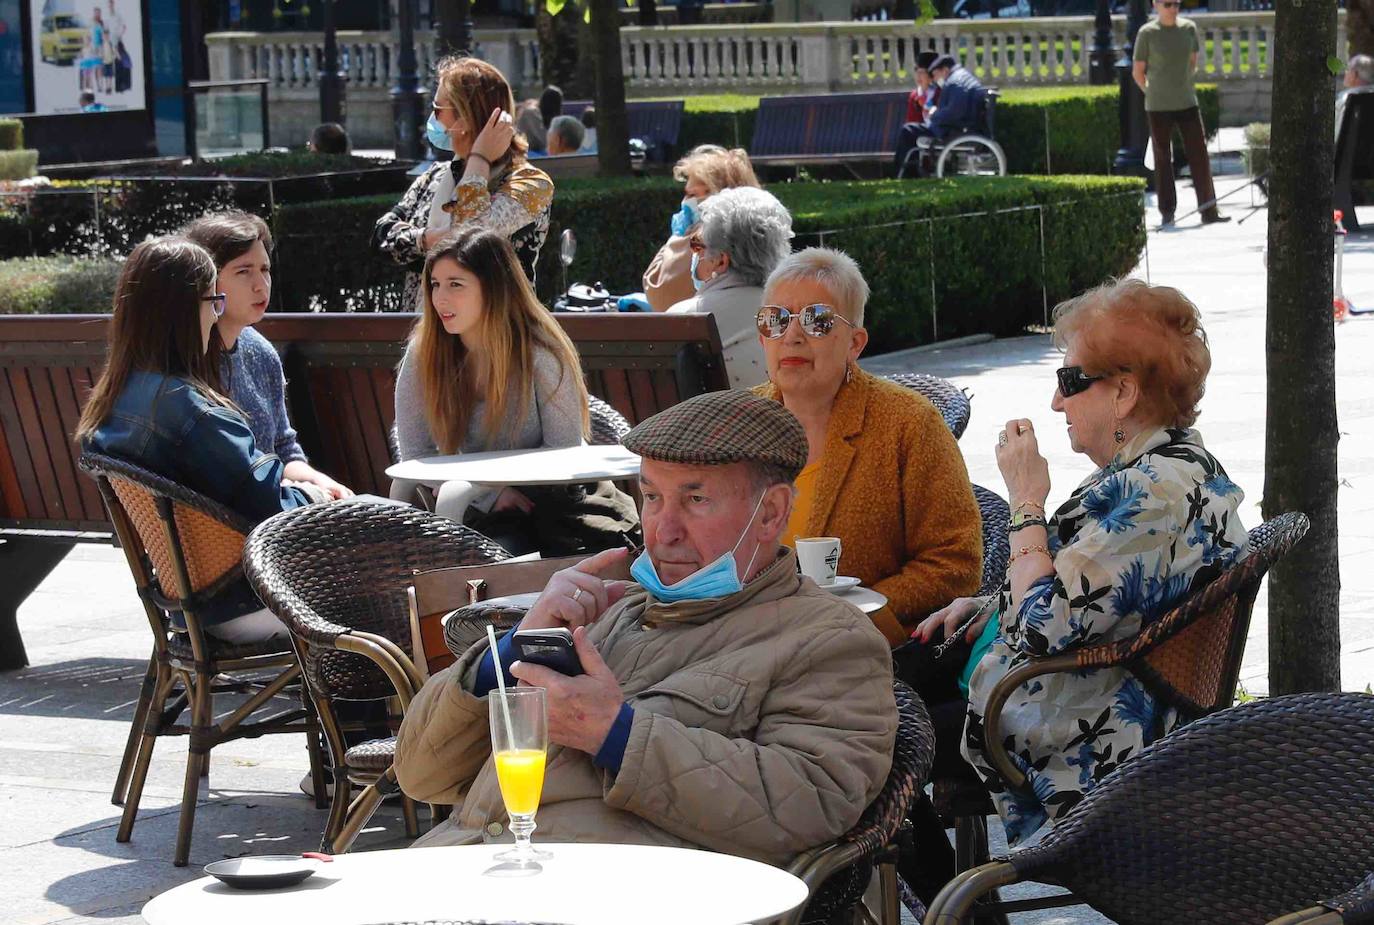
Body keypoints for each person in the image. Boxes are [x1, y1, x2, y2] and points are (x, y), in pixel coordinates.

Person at [393, 389, 898, 866]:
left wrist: (616, 734)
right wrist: (514, 650)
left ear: (770, 513)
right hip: (461, 871)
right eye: (653, 497)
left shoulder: (830, 640)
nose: (663, 529)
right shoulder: (614, 612)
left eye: (695, 500)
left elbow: (812, 802)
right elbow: (419, 774)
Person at [906, 279, 1248, 854]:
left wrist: (1025, 503)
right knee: (876, 690)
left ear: (1123, 393)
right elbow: (1087, 593)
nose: (1056, 402)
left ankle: (951, 909)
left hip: (1076, 723)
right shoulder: (1167, 464)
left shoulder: (1151, 493)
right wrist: (988, 605)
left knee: (875, 738)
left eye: (1069, 381)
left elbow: (1043, 628)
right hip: (1074, 688)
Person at [76, 237, 325, 643]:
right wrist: (314, 494)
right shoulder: (195, 414)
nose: (218, 314)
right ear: (183, 312)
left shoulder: (118, 398)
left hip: (188, 606)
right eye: (214, 301)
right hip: (251, 601)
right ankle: (385, 708)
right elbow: (273, 509)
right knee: (399, 590)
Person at [750, 248, 982, 647]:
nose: (792, 335)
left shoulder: (908, 423)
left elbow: (955, 563)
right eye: (776, 320)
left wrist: (853, 610)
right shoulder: (738, 423)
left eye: (817, 321)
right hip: (743, 639)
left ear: (855, 343)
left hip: (855, 653)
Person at [391, 228, 637, 555]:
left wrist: (501, 490)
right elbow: (415, 455)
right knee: (497, 553)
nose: (440, 299)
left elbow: (562, 448)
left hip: (559, 499)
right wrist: (492, 494)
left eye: (456, 285)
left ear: (494, 289)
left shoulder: (540, 349)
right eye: (435, 284)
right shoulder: (425, 353)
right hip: (476, 503)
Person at [181, 211, 354, 502]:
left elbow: (284, 449)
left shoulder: (260, 352)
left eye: (265, 269)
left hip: (281, 504)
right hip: (249, 524)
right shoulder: (186, 365)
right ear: (207, 280)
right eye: (243, 271)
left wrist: (317, 479)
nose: (261, 285)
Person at [374, 56, 553, 310]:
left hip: (495, 338)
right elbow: (382, 235)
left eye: (438, 110)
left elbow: (470, 236)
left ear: (466, 119)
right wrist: (427, 239)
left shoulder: (529, 184)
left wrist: (479, 157)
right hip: (426, 334)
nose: (433, 120)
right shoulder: (435, 176)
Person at [665, 187, 791, 389]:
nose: (694, 255)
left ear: (721, 261)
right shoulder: (797, 314)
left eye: (697, 245)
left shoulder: (682, 319)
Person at [1132, 0, 1229, 225]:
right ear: (1156, 5)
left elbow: (1192, 62)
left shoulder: (1189, 28)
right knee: (1163, 158)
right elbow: (1138, 71)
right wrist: (1150, 91)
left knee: (1200, 155)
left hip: (1187, 101)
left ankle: (1209, 210)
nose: (1173, 8)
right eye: (1168, 4)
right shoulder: (1147, 33)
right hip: (1158, 105)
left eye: (1176, 4)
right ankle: (1167, 212)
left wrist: (1181, 83)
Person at [642, 145, 760, 313]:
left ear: (719, 193)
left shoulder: (709, 239)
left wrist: (676, 241)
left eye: (693, 194)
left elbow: (661, 293)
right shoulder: (760, 233)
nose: (687, 201)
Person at [894, 54, 985, 178]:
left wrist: (934, 114)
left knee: (908, 130)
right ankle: (908, 172)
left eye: (936, 75)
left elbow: (954, 112)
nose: (935, 79)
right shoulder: (960, 78)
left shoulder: (955, 83)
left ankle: (906, 174)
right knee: (910, 129)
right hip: (962, 127)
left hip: (953, 131)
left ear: (945, 70)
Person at [1336, 54, 1374, 142]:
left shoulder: (1345, 100)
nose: (1346, 72)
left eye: (1348, 69)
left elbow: (1335, 135)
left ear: (1354, 74)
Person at [905, 50, 941, 125]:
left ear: (931, 75)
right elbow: (911, 121)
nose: (918, 76)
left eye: (922, 72)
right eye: (917, 72)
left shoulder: (940, 93)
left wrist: (927, 107)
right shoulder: (914, 95)